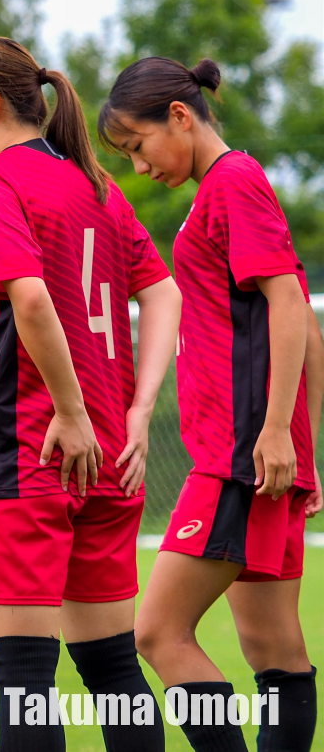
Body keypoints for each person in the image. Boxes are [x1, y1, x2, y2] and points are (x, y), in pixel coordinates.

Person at [0, 37, 181, 752]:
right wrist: (136, 412)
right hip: (108, 459)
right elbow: (163, 295)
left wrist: (69, 413)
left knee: (25, 695)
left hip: (33, 455)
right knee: (115, 679)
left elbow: (32, 301)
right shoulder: (93, 184)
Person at [100, 56, 321, 752]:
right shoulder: (226, 188)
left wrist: (282, 431)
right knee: (274, 648)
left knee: (158, 632)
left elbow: (288, 303)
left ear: (179, 117)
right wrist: (306, 454)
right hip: (259, 455)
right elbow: (306, 324)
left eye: (138, 146)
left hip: (238, 455)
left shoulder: (233, 183)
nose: (139, 166)